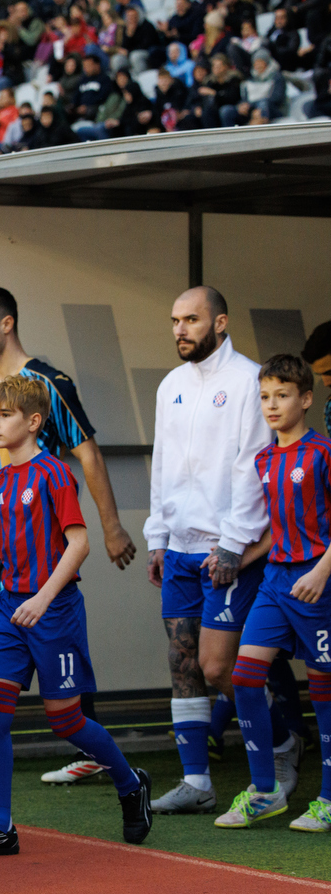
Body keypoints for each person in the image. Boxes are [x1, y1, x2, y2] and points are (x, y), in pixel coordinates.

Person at [0, 375, 153, 858]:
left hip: (53, 610)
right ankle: (0, 827)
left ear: (33, 422)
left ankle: (129, 783)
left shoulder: (54, 473)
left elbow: (79, 543)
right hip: (10, 610)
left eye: (3, 415)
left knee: (66, 722)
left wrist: (41, 597)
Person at [0, 286, 135, 786]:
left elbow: (86, 452)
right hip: (6, 553)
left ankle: (100, 758)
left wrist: (110, 528)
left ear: (5, 324)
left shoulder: (49, 384)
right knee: (7, 677)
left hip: (53, 556)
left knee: (54, 679)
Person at [144, 287, 274, 816]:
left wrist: (233, 542)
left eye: (192, 319)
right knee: (183, 663)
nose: (180, 329)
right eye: (175, 320)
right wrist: (157, 536)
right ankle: (197, 781)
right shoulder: (171, 384)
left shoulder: (250, 379)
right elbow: (163, 465)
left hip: (228, 549)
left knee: (219, 667)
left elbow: (253, 464)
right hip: (178, 548)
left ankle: (282, 745)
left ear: (219, 322)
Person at [209, 354, 331, 831]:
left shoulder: (322, 452)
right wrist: (234, 557)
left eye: (282, 395)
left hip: (317, 581)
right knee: (243, 678)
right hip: (277, 581)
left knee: (324, 694)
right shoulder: (264, 459)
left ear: (305, 399)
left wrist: (322, 573)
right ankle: (265, 791)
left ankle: (327, 799)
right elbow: (271, 528)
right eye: (264, 396)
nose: (272, 405)